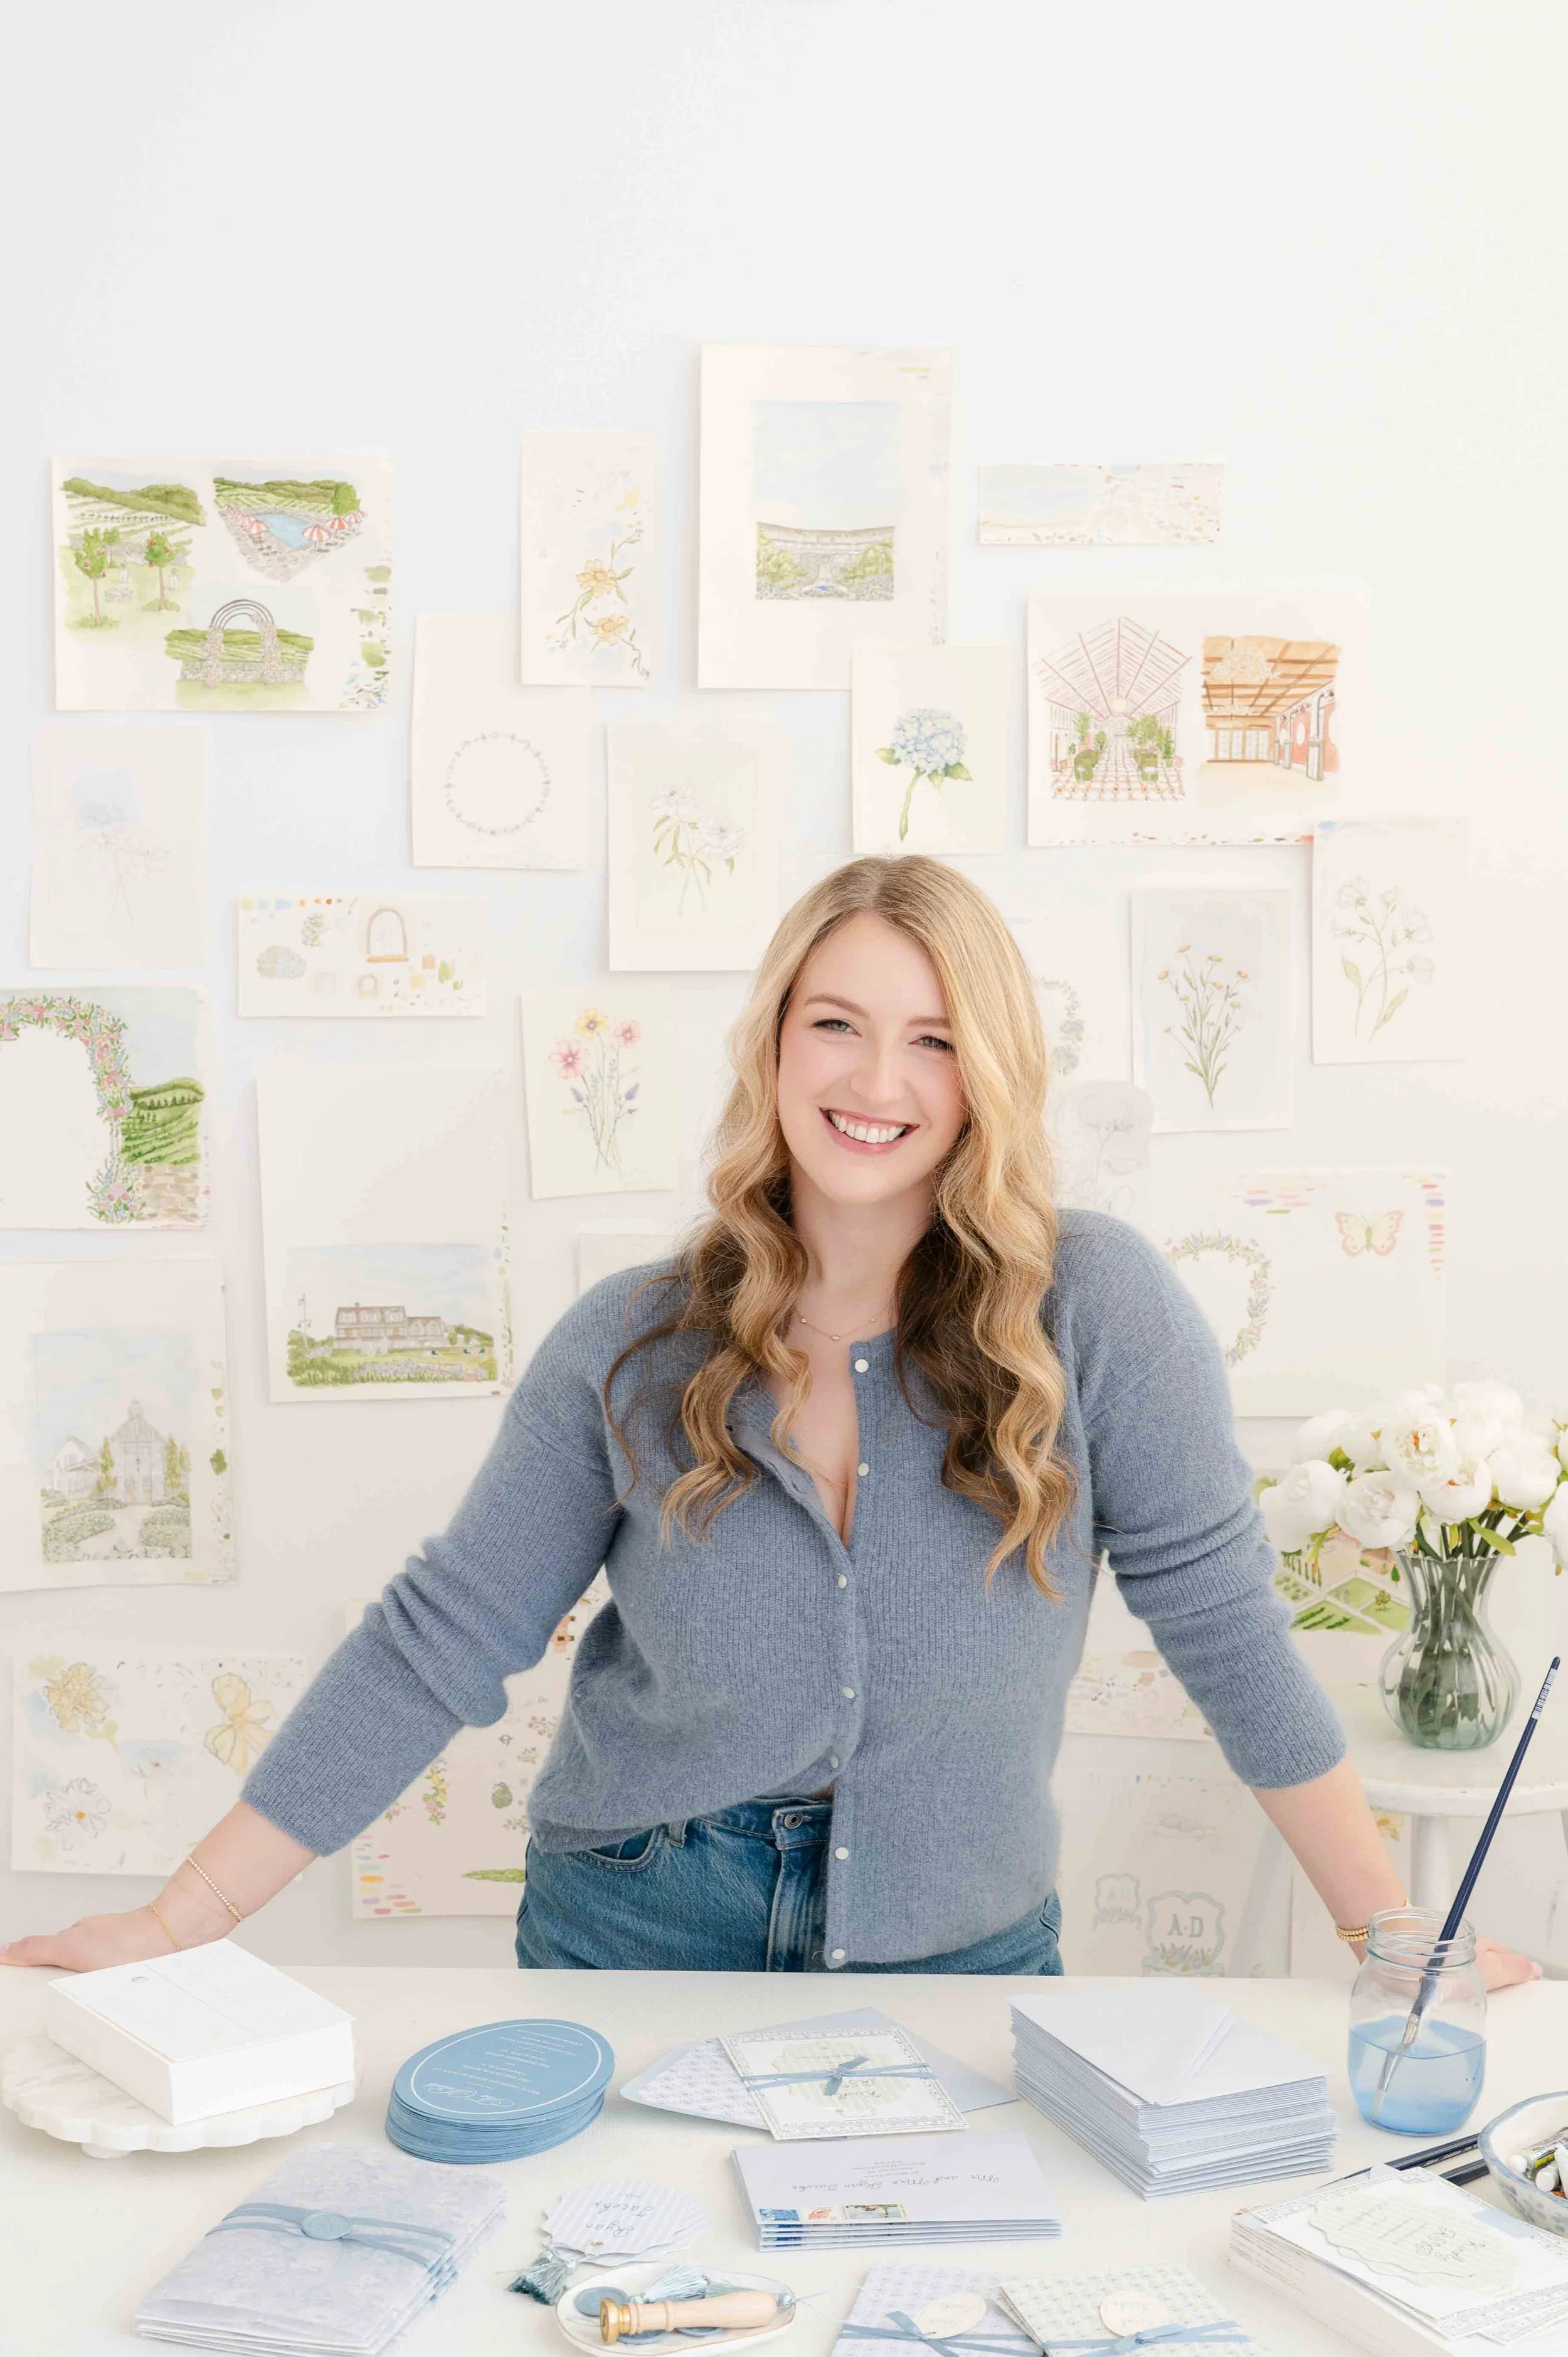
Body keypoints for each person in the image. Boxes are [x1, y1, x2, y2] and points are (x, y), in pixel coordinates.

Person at [2, 859, 1539, 1985]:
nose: (879, 1080)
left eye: (934, 1038)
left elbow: (1222, 1628)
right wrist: (173, 1923)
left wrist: (1390, 1939)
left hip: (959, 1945)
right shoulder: (628, 1344)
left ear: (987, 1074)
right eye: (837, 1026)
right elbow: (436, 1641)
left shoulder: (1098, 1309)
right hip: (630, 1927)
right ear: (772, 1047)